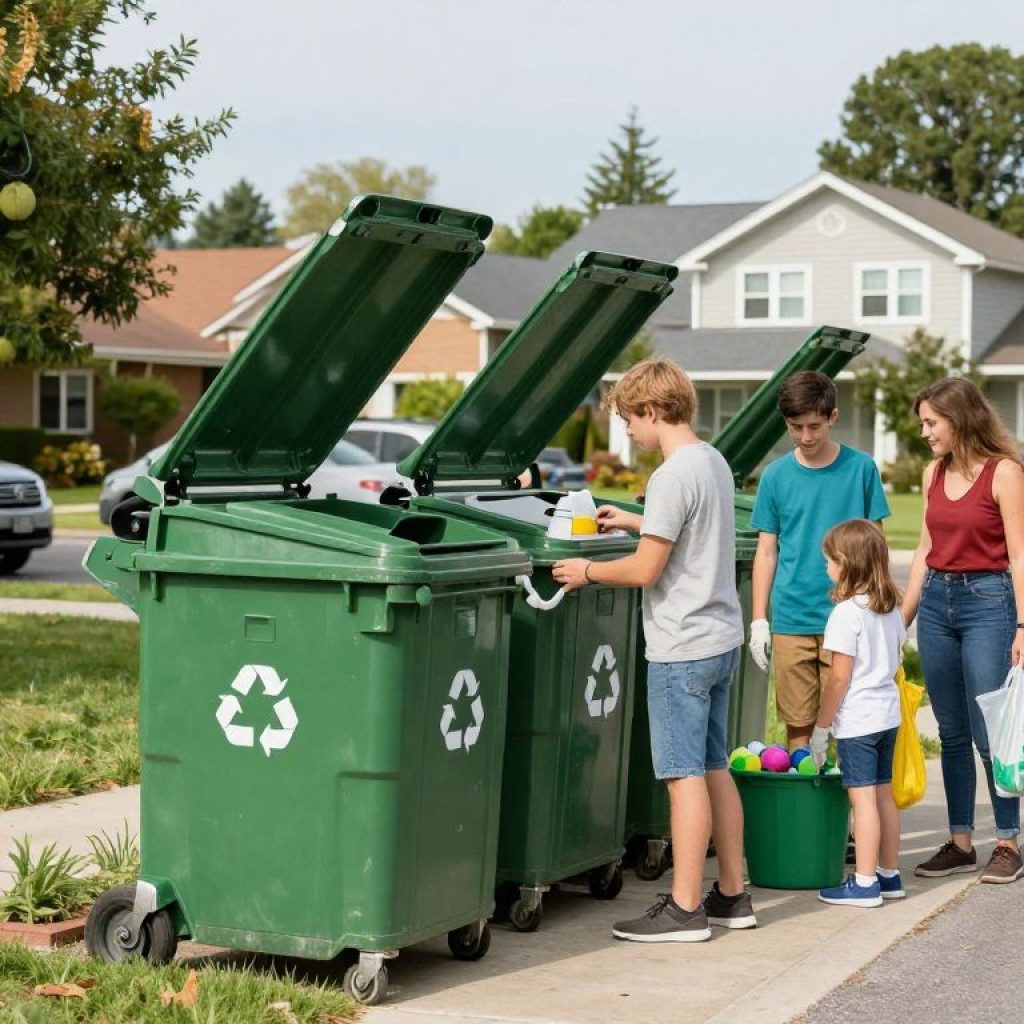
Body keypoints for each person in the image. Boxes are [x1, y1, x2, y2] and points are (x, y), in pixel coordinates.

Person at [552, 358, 753, 943]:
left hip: (680, 647)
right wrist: (637, 520)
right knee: (714, 767)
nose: (628, 431)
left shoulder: (670, 476)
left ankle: (685, 909)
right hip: (720, 639)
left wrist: (587, 571)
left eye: (629, 420)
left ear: (651, 410)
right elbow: (691, 531)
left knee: (682, 776)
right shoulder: (711, 461)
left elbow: (646, 571)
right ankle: (733, 894)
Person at [902, 377, 1024, 884]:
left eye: (932, 422)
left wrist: (1023, 624)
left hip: (989, 603)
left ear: (960, 419)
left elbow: (1019, 554)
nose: (925, 432)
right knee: (950, 731)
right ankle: (960, 843)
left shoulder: (1004, 473)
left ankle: (1008, 842)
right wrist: (902, 619)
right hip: (936, 603)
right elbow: (924, 551)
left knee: (988, 730)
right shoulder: (934, 472)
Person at [749, 371, 890, 752]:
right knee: (798, 726)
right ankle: (805, 791)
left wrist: (878, 609)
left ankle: (847, 791)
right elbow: (766, 551)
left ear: (833, 417)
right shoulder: (775, 476)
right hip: (792, 618)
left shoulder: (861, 469)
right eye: (796, 427)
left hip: (849, 618)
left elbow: (876, 547)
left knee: (849, 725)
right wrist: (759, 619)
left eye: (814, 426)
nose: (806, 436)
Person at [811, 519, 905, 908]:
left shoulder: (846, 614)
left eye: (831, 560)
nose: (827, 566)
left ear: (847, 563)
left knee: (861, 800)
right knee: (883, 796)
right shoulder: (892, 609)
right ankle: (888, 875)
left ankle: (864, 884)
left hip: (859, 721)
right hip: (887, 715)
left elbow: (838, 679)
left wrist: (821, 728)